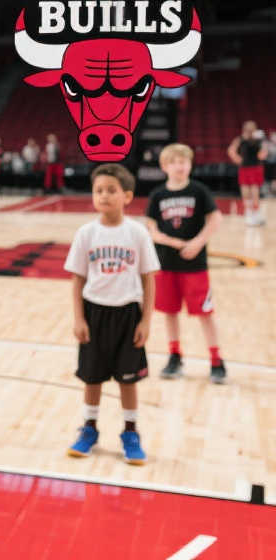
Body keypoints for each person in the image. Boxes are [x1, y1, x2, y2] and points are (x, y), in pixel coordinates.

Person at [64, 163, 159, 465]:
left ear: (127, 196)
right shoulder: (86, 233)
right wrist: (79, 318)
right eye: (98, 191)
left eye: (111, 190)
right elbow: (77, 279)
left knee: (127, 380)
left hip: (128, 314)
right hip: (94, 312)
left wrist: (146, 321)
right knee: (92, 377)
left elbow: (149, 279)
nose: (104, 195)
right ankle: (89, 428)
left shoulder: (137, 233)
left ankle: (130, 432)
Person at [145, 144, 226, 384]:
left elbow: (215, 219)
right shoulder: (158, 195)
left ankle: (216, 360)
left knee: (205, 313)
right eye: (174, 162)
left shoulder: (199, 191)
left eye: (184, 162)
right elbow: (151, 228)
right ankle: (174, 355)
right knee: (169, 312)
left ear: (190, 164)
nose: (180, 166)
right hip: (166, 264)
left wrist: (198, 243)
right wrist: (173, 242)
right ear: (164, 166)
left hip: (195, 265)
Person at [227, 120, 268, 225]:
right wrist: (237, 159)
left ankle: (256, 214)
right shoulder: (240, 139)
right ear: (245, 129)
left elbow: (264, 153)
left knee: (255, 192)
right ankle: (249, 214)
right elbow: (231, 150)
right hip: (245, 168)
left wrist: (262, 153)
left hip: (256, 168)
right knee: (246, 192)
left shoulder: (258, 139)